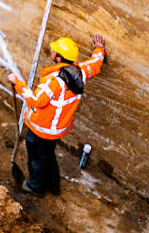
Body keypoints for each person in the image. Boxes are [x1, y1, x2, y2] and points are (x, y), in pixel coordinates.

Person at [15, 33, 106, 196]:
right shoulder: (80, 72)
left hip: (41, 130)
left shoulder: (53, 81)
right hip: (57, 130)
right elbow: (96, 62)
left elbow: (36, 101)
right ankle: (53, 185)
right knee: (48, 155)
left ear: (58, 58)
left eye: (54, 50)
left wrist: (17, 84)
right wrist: (99, 49)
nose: (51, 51)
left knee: (37, 158)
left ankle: (36, 187)